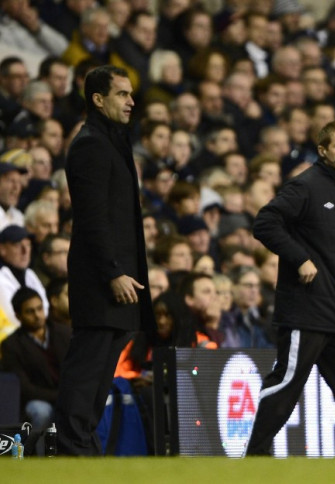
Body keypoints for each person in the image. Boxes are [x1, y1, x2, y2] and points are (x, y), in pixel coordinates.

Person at [244, 121, 335, 456]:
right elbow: (265, 223)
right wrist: (299, 258)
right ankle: (255, 455)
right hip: (307, 310)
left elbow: (332, 247)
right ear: (322, 150)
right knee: (286, 385)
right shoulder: (305, 185)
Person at [55, 65, 154, 456]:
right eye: (122, 94)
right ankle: (70, 450)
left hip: (117, 281)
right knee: (86, 374)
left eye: (131, 94)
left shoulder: (112, 141)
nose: (131, 102)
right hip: (101, 282)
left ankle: (83, 449)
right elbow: (93, 218)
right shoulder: (91, 144)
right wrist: (113, 273)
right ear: (98, 99)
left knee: (98, 378)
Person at [1, 287, 71, 455]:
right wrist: (58, 396)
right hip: (37, 400)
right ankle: (38, 457)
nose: (37, 315)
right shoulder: (11, 345)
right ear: (18, 316)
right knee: (41, 411)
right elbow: (24, 388)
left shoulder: (66, 333)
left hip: (68, 395)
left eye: (40, 308)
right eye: (30, 311)